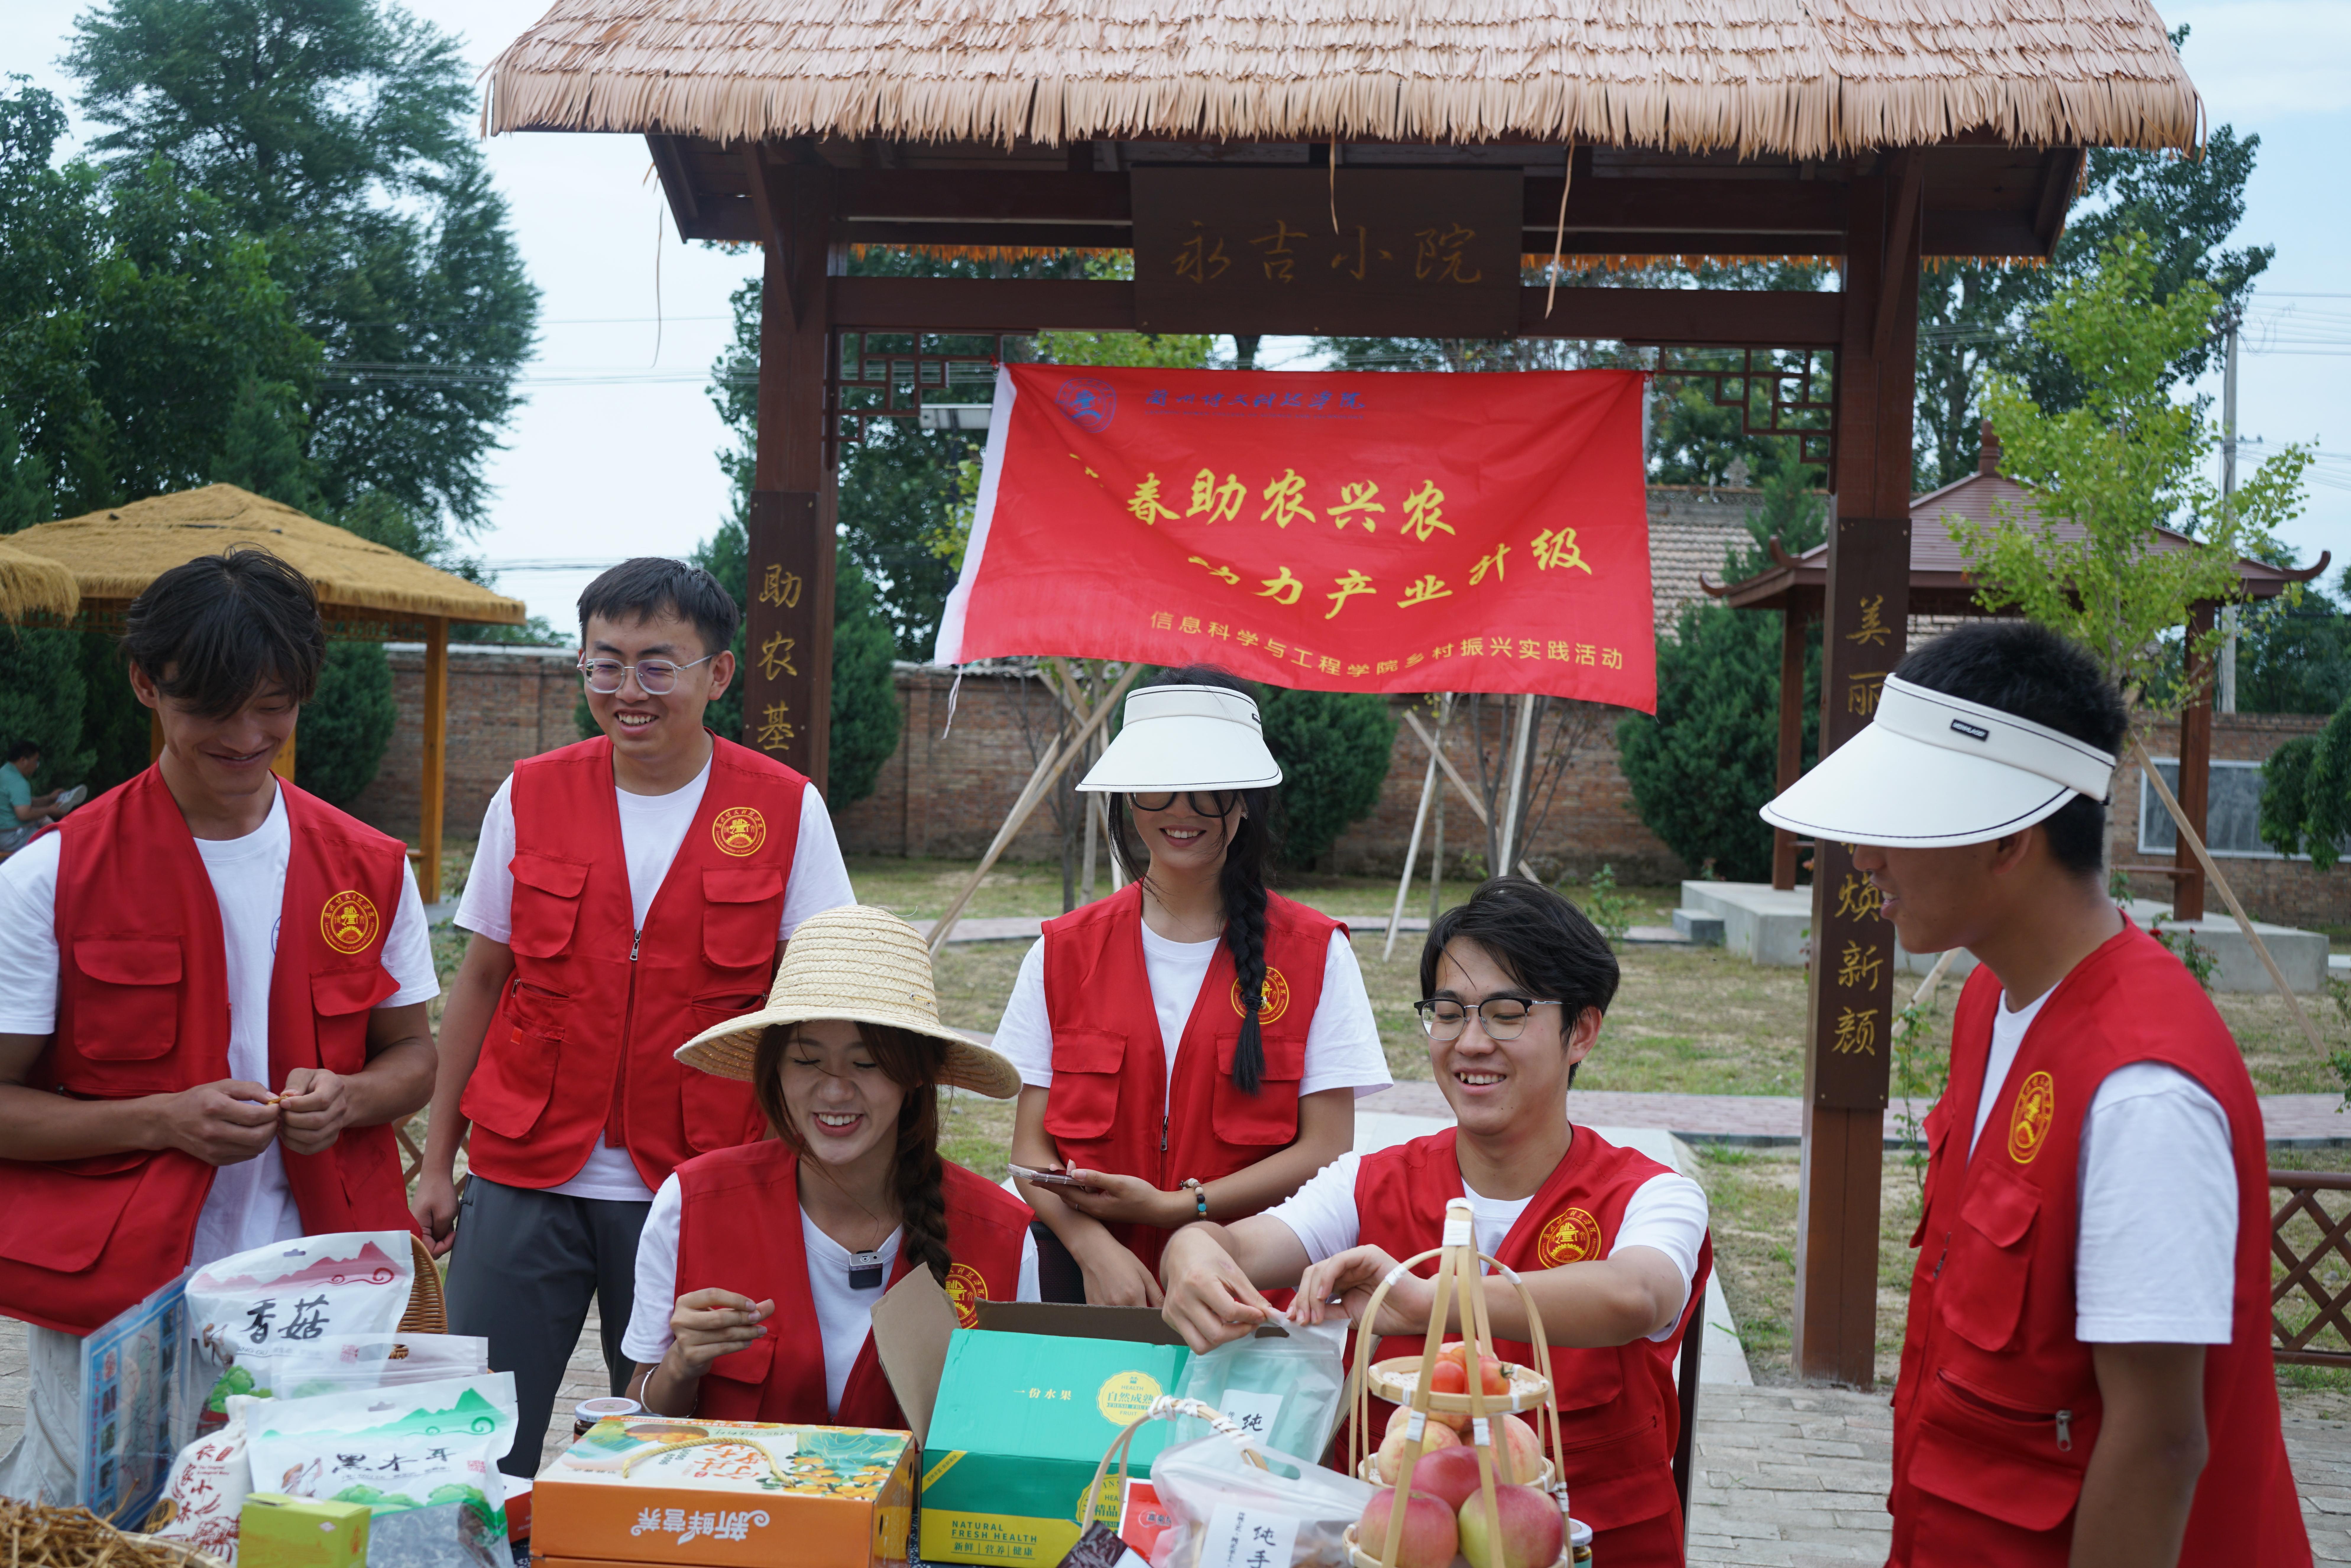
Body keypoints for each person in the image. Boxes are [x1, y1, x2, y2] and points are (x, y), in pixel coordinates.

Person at [1757, 621, 2308, 1568]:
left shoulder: (2141, 1093)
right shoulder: (1990, 999)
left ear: (2011, 838)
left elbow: (2159, 1443)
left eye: (1897, 821)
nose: (1862, 855)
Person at [0, 548, 439, 1502]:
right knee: (102, 1524)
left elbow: (414, 1056)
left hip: (322, 1281)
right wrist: (159, 1118)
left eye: (274, 707)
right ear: (146, 684)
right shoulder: (50, 878)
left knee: (304, 1521)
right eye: (211, 709)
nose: (246, 738)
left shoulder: (368, 866)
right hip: (122, 1292)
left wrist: (351, 1096)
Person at [414, 557, 853, 1473]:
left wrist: (812, 1177)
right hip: (524, 1168)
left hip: (700, 1176)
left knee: (677, 1449)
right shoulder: (529, 793)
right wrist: (439, 1157)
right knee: (474, 1444)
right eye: (605, 664)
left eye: (657, 666)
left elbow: (821, 1006)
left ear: (717, 673)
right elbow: (481, 982)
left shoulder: (784, 809)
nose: (628, 691)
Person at [1159, 877, 1712, 1567]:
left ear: (1582, 1031)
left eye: (1506, 1013)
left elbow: (1637, 1295)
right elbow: (1232, 1245)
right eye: (1448, 1013)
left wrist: (1428, 1301)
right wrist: (1188, 1250)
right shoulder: (1367, 1184)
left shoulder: (1653, 1195)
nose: (1470, 1042)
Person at [995, 667, 1391, 1305]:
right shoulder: (1061, 952)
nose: (1183, 810)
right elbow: (1030, 1148)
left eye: (1210, 787)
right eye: (1159, 785)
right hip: (1090, 1295)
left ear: (1246, 800)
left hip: (1248, 1296)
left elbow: (1326, 1148)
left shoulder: (1318, 954)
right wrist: (1095, 1250)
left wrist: (1178, 1208)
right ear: (1128, 796)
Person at [622, 905, 1038, 1425]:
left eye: (867, 1063)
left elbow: (1018, 1431)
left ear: (916, 1075)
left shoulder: (1004, 1236)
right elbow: (639, 1417)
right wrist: (680, 1365)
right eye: (806, 1060)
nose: (836, 1091)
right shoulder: (691, 1203)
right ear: (775, 1069)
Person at [0, 742, 80, 854]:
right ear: (23, 761)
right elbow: (24, 814)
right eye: (35, 761)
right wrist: (50, 811)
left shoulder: (5, 772)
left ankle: (56, 830)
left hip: (6, 831)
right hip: (11, 837)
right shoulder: (18, 783)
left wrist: (49, 799)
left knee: (44, 819)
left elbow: (24, 803)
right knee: (56, 841)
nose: (36, 766)